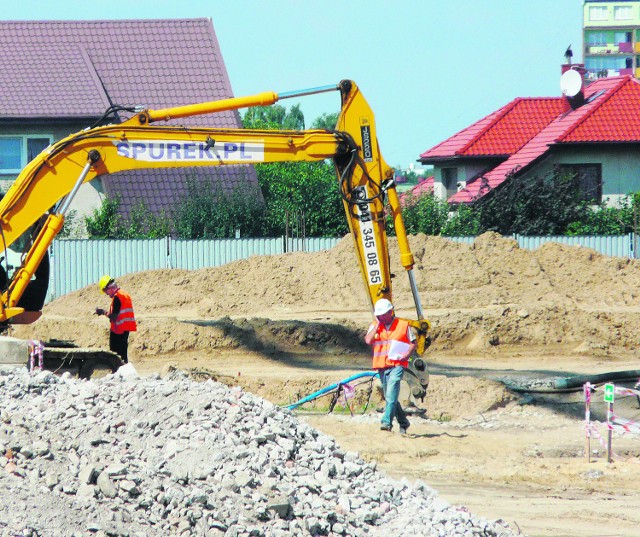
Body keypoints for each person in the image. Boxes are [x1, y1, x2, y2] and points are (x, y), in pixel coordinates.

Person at [365, 298, 415, 434]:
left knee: (392, 389)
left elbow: (413, 342)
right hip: (382, 365)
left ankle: (386, 422)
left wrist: (406, 355)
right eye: (379, 315)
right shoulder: (375, 325)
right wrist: (377, 325)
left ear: (390, 312)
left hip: (397, 364)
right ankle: (404, 422)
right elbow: (368, 340)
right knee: (390, 396)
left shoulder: (403, 325)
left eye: (383, 314)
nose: (381, 317)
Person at [95, 275, 137, 364]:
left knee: (115, 355)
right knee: (123, 354)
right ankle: (124, 371)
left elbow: (114, 316)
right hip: (125, 328)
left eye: (106, 291)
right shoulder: (124, 295)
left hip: (118, 330)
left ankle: (118, 372)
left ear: (109, 289)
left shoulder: (118, 297)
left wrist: (102, 312)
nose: (107, 294)